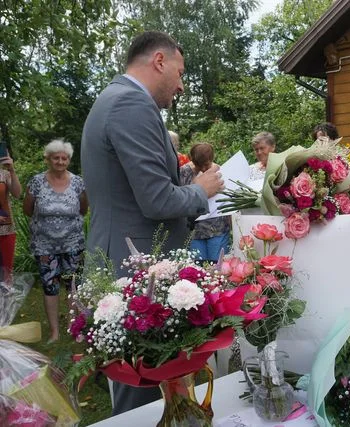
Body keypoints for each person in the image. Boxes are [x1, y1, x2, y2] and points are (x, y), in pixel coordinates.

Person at [81, 30, 224, 415]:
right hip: (134, 264)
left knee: (147, 382)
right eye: (179, 72)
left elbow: (140, 188)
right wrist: (201, 190)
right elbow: (157, 199)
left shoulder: (117, 100)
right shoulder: (131, 104)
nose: (180, 85)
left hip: (129, 257)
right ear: (159, 61)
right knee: (139, 389)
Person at [23, 140, 88, 343]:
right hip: (44, 245)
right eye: (56, 158)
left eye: (64, 158)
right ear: (48, 159)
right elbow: (27, 209)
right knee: (49, 286)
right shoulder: (36, 182)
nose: (60, 161)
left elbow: (83, 209)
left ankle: (73, 326)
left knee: (73, 286)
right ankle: (54, 332)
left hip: (73, 243)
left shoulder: (78, 182)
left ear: (68, 160)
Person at [180, 143, 231, 263]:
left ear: (212, 159)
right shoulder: (184, 172)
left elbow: (227, 198)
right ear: (192, 160)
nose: (203, 168)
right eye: (199, 165)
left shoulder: (219, 172)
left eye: (206, 164)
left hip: (217, 228)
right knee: (197, 268)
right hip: (195, 230)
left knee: (218, 266)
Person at [0, 150, 23, 283]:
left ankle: (4, 303)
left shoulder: (4, 174)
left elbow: (17, 193)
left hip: (5, 231)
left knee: (5, 275)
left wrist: (12, 170)